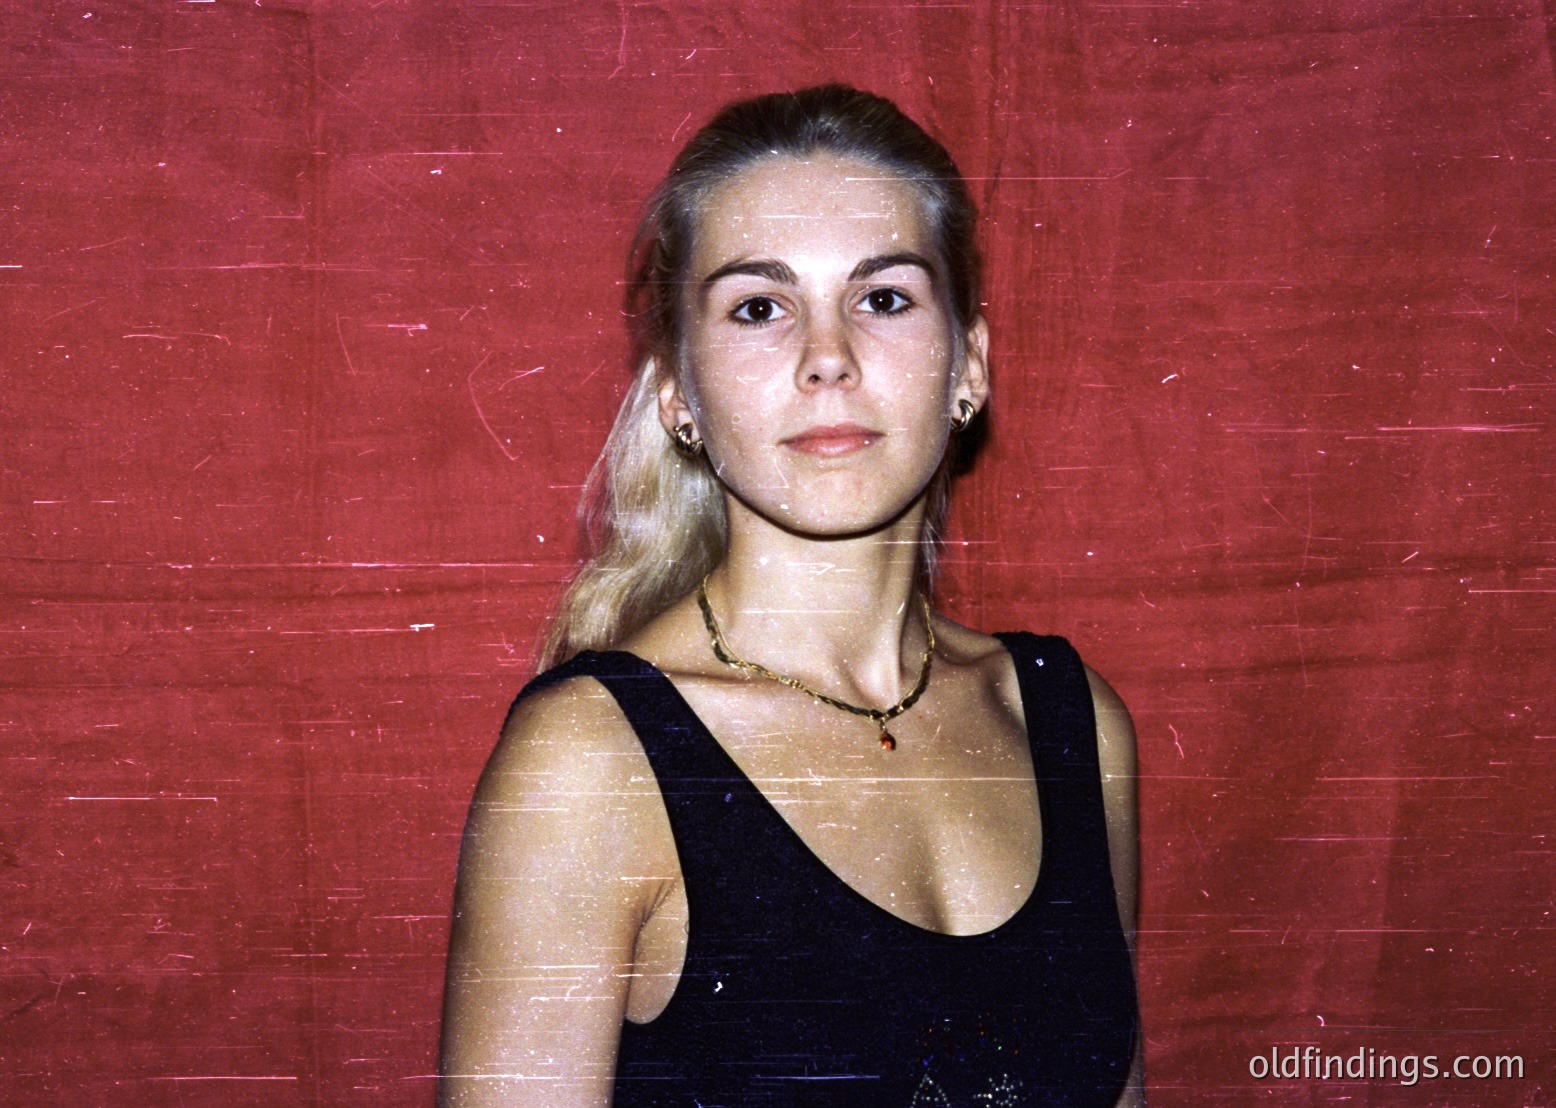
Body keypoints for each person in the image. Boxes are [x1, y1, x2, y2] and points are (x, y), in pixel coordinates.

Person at [439, 85, 1143, 1107]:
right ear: (678, 392)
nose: (828, 359)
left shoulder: (1074, 725)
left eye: (884, 297)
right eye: (759, 307)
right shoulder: (593, 766)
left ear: (969, 364)